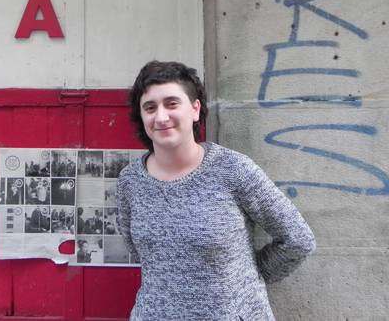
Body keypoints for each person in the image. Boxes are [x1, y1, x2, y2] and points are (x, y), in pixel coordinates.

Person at [116, 61, 315, 321]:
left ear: (195, 109)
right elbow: (137, 250)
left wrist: (246, 281)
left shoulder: (234, 170)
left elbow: (297, 238)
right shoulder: (130, 181)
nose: (161, 117)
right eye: (150, 107)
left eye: (172, 104)